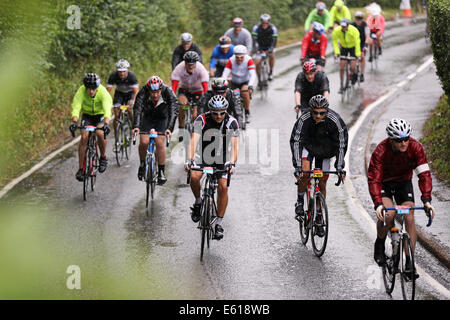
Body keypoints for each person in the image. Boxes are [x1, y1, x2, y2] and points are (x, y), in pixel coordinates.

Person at [368, 118, 435, 278]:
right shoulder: (381, 151)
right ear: (391, 140)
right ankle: (380, 243)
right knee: (388, 214)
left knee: (410, 216)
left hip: (403, 183)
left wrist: (427, 200)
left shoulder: (416, 148)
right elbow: (374, 179)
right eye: (399, 140)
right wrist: (378, 204)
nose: (404, 143)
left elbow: (424, 175)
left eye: (406, 138)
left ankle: (409, 263)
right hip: (383, 184)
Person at [290, 95, 348, 235]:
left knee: (322, 182)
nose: (318, 116)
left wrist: (339, 167)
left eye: (322, 113)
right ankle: (299, 200)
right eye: (315, 112)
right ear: (310, 111)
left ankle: (319, 214)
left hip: (326, 152)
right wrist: (297, 167)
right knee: (304, 173)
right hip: (308, 148)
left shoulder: (335, 120)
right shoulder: (304, 120)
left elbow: (341, 144)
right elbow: (296, 141)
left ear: (326, 111)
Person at [185, 95, 239, 240]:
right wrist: (189, 160)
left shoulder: (232, 122)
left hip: (223, 158)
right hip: (204, 154)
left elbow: (234, 146)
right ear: (210, 111)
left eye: (222, 112)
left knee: (223, 186)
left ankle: (219, 224)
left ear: (226, 111)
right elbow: (193, 141)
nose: (218, 116)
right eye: (215, 113)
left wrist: (232, 163)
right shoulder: (201, 120)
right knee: (194, 176)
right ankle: (198, 202)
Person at [132, 76, 178, 184]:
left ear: (161, 89)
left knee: (159, 142)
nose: (155, 95)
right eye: (152, 92)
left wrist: (169, 128)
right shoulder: (142, 92)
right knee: (144, 142)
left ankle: (161, 171)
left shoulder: (168, 92)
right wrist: (136, 126)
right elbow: (137, 109)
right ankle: (142, 164)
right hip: (148, 117)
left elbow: (174, 110)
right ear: (148, 90)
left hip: (162, 118)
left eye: (157, 92)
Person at [69, 73, 112, 181]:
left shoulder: (103, 92)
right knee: (84, 137)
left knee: (100, 133)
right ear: (85, 87)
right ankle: (81, 169)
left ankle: (103, 157)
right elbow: (76, 106)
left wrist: (106, 123)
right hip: (87, 115)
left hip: (100, 115)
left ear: (97, 87)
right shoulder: (81, 91)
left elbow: (107, 108)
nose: (91, 91)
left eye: (93, 89)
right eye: (89, 89)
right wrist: (74, 121)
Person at [171, 51, 209, 142]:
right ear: (185, 63)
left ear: (196, 63)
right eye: (188, 64)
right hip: (184, 91)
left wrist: (205, 99)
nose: (191, 66)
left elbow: (206, 88)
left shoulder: (201, 69)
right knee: (182, 105)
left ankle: (195, 131)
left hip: (197, 91)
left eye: (193, 64)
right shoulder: (179, 68)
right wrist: (172, 98)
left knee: (195, 114)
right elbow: (174, 86)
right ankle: (181, 129)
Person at [106, 59, 139, 148]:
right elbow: (107, 92)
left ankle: (133, 125)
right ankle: (117, 137)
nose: (122, 74)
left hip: (130, 94)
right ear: (117, 70)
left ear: (127, 70)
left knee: (129, 109)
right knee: (116, 114)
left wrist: (133, 103)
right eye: (120, 71)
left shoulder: (132, 76)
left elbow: (136, 92)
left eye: (124, 71)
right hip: (119, 94)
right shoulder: (113, 76)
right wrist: (107, 103)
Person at [221, 45, 257, 124]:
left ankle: (247, 112)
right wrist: (223, 84)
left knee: (244, 91)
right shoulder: (231, 60)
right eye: (237, 57)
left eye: (241, 57)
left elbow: (253, 74)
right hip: (234, 81)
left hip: (245, 81)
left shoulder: (249, 60)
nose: (239, 59)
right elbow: (225, 74)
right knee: (228, 95)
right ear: (235, 56)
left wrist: (250, 85)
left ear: (244, 55)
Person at [332, 18, 361, 93]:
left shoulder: (354, 30)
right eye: (342, 26)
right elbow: (334, 41)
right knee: (341, 67)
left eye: (345, 26)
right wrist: (337, 52)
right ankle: (341, 85)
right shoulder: (337, 31)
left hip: (353, 47)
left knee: (352, 66)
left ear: (348, 25)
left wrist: (358, 54)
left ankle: (355, 73)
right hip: (344, 47)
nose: (343, 28)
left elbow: (357, 42)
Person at [252, 13, 278, 86]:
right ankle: (259, 80)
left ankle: (271, 72)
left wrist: (271, 48)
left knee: (271, 55)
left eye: (266, 23)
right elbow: (254, 40)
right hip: (259, 46)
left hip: (269, 46)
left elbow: (274, 40)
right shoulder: (256, 27)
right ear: (261, 22)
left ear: (269, 22)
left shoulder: (273, 28)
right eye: (263, 23)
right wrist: (256, 49)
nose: (265, 24)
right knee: (257, 63)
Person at [351, 11, 369, 82]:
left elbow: (367, 36)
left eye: (360, 19)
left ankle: (362, 74)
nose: (359, 20)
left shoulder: (365, 25)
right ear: (355, 19)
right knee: (353, 59)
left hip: (362, 42)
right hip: (354, 43)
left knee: (362, 57)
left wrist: (366, 45)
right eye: (357, 19)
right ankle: (354, 72)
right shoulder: (352, 25)